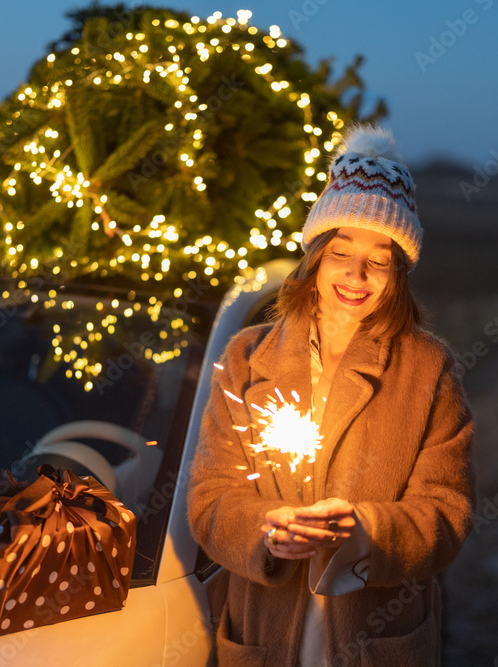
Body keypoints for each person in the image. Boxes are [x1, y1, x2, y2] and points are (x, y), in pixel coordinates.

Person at [186, 124, 476, 666]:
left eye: (380, 259)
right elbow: (210, 499)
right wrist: (264, 531)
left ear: (399, 272)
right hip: (264, 639)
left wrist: (365, 534)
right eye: (341, 251)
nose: (356, 274)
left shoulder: (427, 369)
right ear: (317, 253)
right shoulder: (247, 359)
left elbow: (448, 512)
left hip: (378, 642)